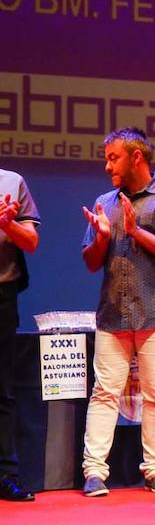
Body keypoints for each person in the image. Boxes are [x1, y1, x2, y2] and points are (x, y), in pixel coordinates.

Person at [80, 127, 155, 497]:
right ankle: (95, 472)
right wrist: (101, 238)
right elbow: (90, 262)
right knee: (104, 393)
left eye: (112, 158)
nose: (106, 166)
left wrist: (136, 232)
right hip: (113, 314)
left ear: (136, 157)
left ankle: (154, 469)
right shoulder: (105, 202)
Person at [0, 170, 40, 502]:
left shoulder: (12, 182)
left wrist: (8, 224)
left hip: (2, 294)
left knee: (3, 389)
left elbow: (30, 241)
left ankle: (5, 474)